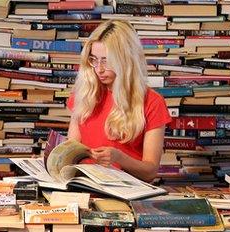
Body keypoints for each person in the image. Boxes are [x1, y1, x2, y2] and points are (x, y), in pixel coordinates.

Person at [66, 20, 172, 183]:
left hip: (126, 192)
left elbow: (150, 172)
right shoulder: (83, 95)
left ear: (126, 60)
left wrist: (119, 158)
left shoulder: (152, 102)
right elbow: (71, 151)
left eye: (106, 60)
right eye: (94, 59)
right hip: (84, 187)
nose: (99, 69)